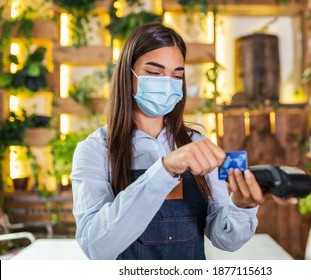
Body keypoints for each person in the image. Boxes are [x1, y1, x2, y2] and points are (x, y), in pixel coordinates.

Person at [70, 23, 295, 260]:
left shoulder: (196, 143)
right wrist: (165, 169)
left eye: (176, 75)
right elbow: (96, 247)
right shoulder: (94, 150)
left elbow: (224, 239)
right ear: (128, 75)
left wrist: (241, 205)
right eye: (155, 73)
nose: (167, 83)